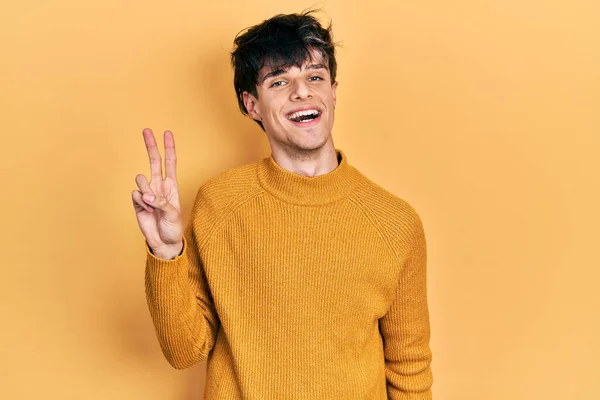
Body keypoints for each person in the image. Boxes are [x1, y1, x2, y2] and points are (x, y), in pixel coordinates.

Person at [132, 10, 433, 399]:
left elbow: (409, 366)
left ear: (333, 91)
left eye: (314, 77)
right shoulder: (220, 203)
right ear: (251, 105)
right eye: (279, 81)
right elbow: (183, 350)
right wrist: (167, 251)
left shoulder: (395, 222)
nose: (301, 91)